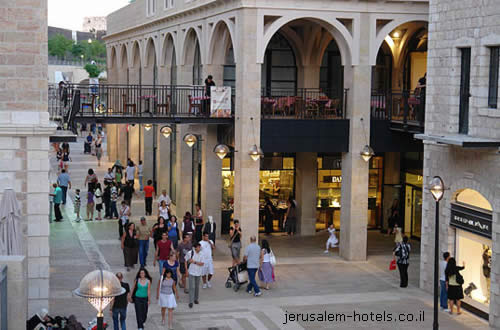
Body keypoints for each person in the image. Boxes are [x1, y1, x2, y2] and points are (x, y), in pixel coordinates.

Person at [185, 242, 204, 308]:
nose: (199, 248)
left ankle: (196, 299)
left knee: (197, 287)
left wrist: (194, 262)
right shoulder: (190, 253)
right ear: (195, 247)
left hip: (198, 272)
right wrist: (186, 270)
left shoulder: (202, 254)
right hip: (191, 272)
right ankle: (190, 301)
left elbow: (202, 263)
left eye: (200, 247)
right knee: (191, 287)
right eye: (198, 247)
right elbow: (186, 260)